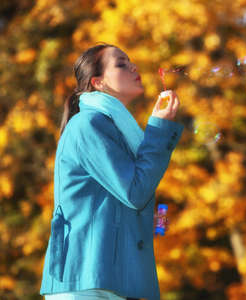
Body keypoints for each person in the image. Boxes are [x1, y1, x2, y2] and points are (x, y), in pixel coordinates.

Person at [40, 43, 184, 300]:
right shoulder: (88, 124)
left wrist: (156, 221)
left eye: (130, 60)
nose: (133, 66)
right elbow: (135, 192)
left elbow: (130, 201)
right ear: (98, 83)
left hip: (104, 279)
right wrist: (160, 129)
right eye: (120, 63)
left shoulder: (118, 130)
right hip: (83, 281)